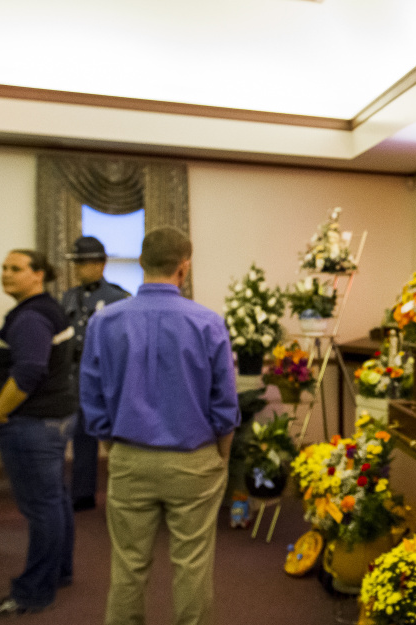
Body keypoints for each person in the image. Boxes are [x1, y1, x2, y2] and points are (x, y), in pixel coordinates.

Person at [79, 227, 238, 625]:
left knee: (128, 565)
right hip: (194, 459)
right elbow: (225, 402)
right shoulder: (209, 322)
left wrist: (112, 447)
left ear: (140, 262)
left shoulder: (105, 322)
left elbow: (92, 396)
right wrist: (222, 456)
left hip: (130, 455)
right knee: (192, 564)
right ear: (184, 268)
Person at [0, 250, 76, 616]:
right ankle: (58, 573)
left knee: (42, 507)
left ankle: (33, 592)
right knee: (53, 500)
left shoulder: (30, 318)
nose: (6, 274)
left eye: (16, 269)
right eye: (4, 268)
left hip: (31, 425)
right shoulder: (47, 309)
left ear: (38, 275)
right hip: (52, 419)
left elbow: (28, 372)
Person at [61, 235, 130, 512]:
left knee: (119, 436)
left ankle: (125, 492)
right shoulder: (68, 297)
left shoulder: (118, 298)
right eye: (76, 262)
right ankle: (83, 493)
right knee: (82, 437)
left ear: (101, 264)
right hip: (77, 375)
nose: (78, 268)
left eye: (84, 262)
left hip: (108, 375)